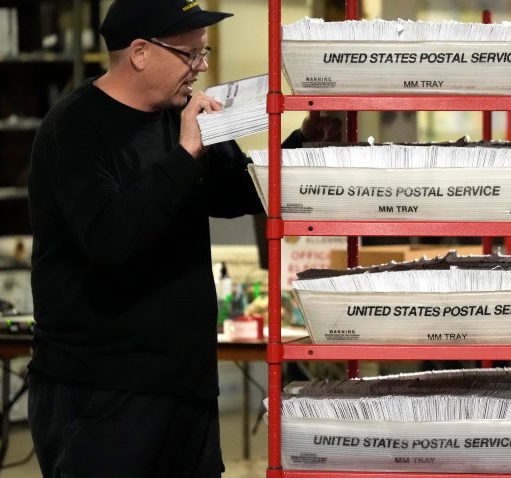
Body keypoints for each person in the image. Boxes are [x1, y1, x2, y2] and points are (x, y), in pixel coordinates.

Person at [26, 1, 339, 476]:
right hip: (102, 392)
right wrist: (187, 153)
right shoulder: (74, 129)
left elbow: (242, 190)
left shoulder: (180, 118)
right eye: (190, 54)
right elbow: (110, 240)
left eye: (204, 52)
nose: (203, 66)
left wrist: (305, 142)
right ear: (139, 53)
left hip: (186, 386)